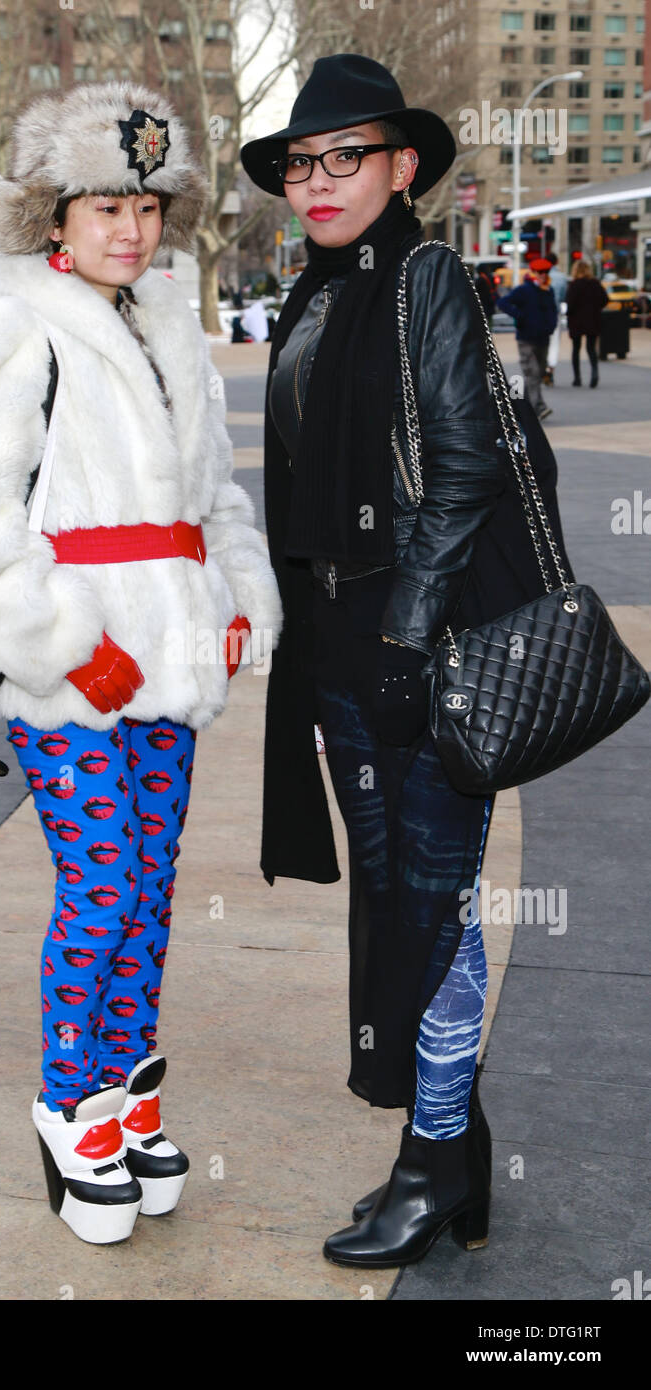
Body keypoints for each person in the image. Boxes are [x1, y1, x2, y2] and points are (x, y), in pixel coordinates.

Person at [0, 82, 282, 1246]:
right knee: (103, 883)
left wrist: (231, 597)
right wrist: (65, 648)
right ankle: (69, 1107)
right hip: (71, 664)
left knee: (151, 889)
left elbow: (209, 486)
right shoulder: (2, 326)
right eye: (103, 205)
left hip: (170, 657)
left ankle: (124, 1092)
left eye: (147, 206)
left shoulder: (167, 321)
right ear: (49, 215)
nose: (130, 228)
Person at [241, 52, 571, 1271]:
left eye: (346, 158)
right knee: (395, 904)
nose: (318, 181)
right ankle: (462, 1149)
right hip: (338, 646)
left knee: (428, 913)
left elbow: (468, 465)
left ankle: (429, 1168)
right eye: (300, 162)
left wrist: (405, 631)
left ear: (401, 168)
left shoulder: (421, 276)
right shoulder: (314, 292)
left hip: (412, 651)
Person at [497, 257, 558, 420]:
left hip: (543, 338)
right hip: (526, 338)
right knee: (533, 372)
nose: (543, 275)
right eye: (540, 272)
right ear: (534, 273)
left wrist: (551, 325)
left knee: (537, 374)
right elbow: (503, 302)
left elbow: (553, 310)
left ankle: (521, 407)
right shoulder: (524, 290)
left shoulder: (548, 290)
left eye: (546, 272)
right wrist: (520, 316)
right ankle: (539, 407)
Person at [566, 259, 609, 388]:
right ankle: (594, 373)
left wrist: (569, 314)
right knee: (591, 349)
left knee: (576, 349)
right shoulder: (595, 284)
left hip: (577, 321)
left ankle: (577, 378)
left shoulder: (574, 285)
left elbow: (570, 303)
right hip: (592, 320)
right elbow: (605, 299)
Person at [543, 252, 569, 386]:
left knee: (541, 341)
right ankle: (550, 369)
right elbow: (564, 296)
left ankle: (542, 366)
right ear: (556, 262)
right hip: (555, 313)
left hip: (541, 313)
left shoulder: (541, 277)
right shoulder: (561, 278)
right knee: (554, 342)